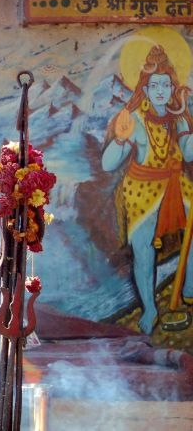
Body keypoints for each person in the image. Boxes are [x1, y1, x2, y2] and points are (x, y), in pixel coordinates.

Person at [102, 44, 193, 334]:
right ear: (145, 87)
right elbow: (107, 164)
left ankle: (189, 286)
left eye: (166, 85)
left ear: (173, 87)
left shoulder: (178, 116)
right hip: (142, 189)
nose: (161, 91)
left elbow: (188, 154)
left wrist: (188, 125)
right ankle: (150, 309)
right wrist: (119, 139)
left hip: (176, 183)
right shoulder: (135, 120)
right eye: (155, 85)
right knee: (143, 250)